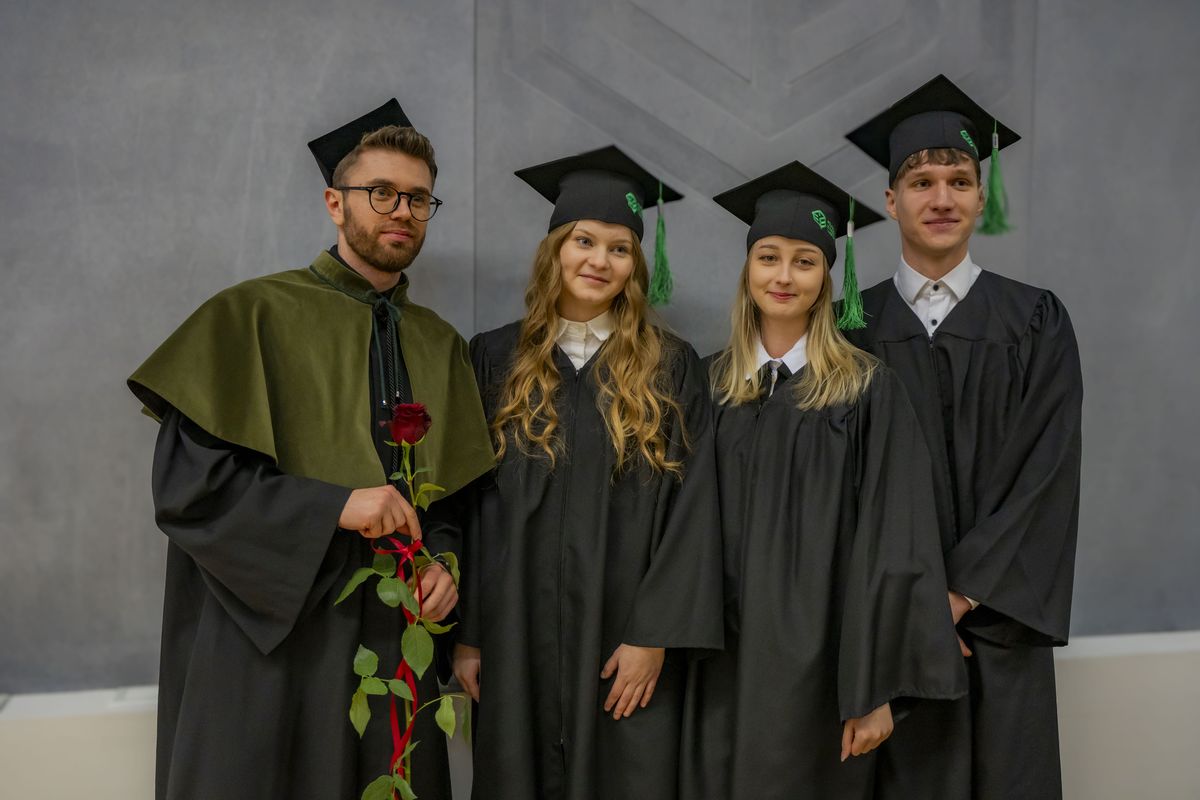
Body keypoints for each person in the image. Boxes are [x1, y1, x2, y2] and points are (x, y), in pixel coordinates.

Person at [127, 99, 495, 800]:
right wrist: (336, 506)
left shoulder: (439, 343)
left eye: (418, 198)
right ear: (335, 202)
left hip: (396, 641)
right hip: (275, 645)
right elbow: (190, 490)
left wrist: (444, 568)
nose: (401, 211)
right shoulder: (250, 314)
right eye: (380, 192)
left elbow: (453, 502)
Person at [679, 161, 967, 799]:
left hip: (826, 668)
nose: (784, 277)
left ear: (827, 279)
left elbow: (896, 542)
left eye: (805, 262)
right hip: (720, 665)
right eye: (769, 258)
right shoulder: (706, 384)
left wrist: (876, 687)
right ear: (747, 269)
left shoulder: (867, 390)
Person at [451, 145, 724, 800]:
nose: (600, 261)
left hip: (624, 641)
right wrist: (470, 635)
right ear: (554, 250)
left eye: (619, 248)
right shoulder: (493, 358)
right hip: (515, 633)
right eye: (584, 241)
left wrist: (655, 634)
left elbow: (694, 511)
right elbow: (470, 507)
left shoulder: (671, 367)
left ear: (636, 265)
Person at [843, 74, 1084, 800]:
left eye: (959, 181)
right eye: (921, 182)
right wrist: (910, 606)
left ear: (982, 197)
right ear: (891, 200)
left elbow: (1047, 471)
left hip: (999, 622)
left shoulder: (1035, 321)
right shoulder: (848, 330)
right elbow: (836, 491)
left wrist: (955, 595)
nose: (941, 198)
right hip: (890, 632)